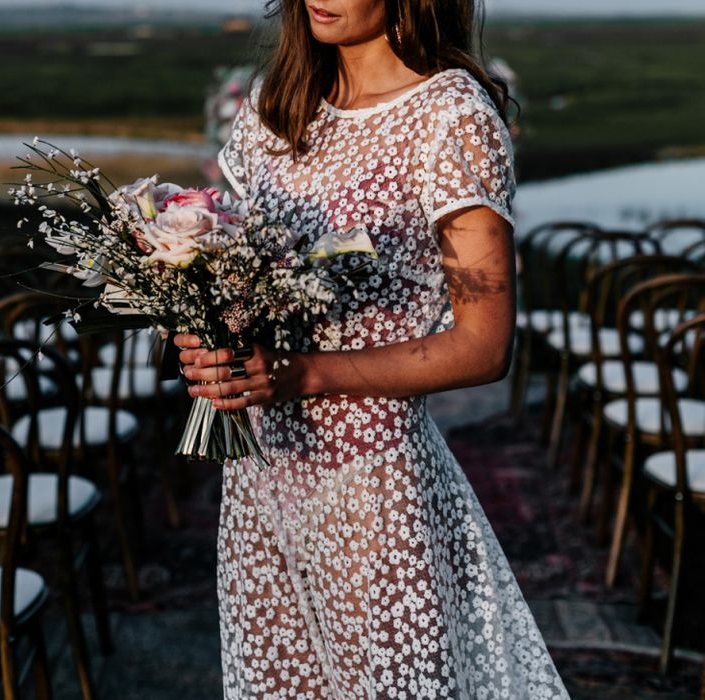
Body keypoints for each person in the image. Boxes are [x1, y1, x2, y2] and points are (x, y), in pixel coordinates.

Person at [176, 0, 570, 697]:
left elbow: (484, 346)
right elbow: (244, 278)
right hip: (264, 480)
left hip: (372, 488)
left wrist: (304, 374)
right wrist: (210, 333)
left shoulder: (451, 115)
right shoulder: (273, 108)